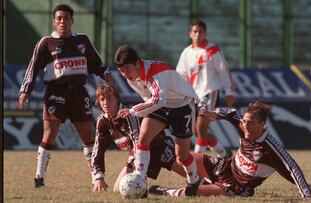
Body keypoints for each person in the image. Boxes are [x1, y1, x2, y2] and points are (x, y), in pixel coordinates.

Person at [17, 4, 113, 188]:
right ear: (54, 22)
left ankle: (96, 179)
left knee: (89, 135)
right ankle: (39, 178)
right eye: (59, 18)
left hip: (79, 92)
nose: (63, 22)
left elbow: (96, 64)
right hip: (56, 92)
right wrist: (25, 90)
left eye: (66, 18)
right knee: (49, 134)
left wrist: (106, 74)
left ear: (72, 21)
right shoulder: (46, 43)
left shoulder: (83, 41)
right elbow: (33, 67)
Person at [149, 101, 311, 198]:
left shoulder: (270, 148)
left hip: (236, 187)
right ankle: (199, 179)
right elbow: (231, 113)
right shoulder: (243, 123)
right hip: (226, 167)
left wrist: (306, 193)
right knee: (183, 157)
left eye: (251, 123)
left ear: (263, 126)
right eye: (245, 122)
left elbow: (291, 167)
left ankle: (166, 191)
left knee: (193, 193)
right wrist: (215, 113)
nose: (245, 125)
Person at [114, 45, 201, 196]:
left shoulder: (154, 72)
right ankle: (140, 180)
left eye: (128, 68)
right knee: (144, 137)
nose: (125, 74)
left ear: (137, 63)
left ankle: (194, 180)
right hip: (161, 105)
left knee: (182, 156)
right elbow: (151, 99)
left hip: (182, 105)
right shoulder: (131, 77)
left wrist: (133, 111)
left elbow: (157, 100)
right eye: (121, 70)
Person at [91, 84, 187, 193]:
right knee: (118, 189)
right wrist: (98, 177)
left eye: (109, 98)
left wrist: (140, 172)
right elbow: (97, 150)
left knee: (193, 176)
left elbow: (138, 143)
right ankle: (161, 191)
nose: (106, 102)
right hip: (136, 155)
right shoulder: (103, 121)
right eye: (102, 99)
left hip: (158, 147)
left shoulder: (129, 114)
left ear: (117, 99)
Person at [176, 20, 235, 158]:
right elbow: (181, 75)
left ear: (205, 33)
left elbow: (224, 71)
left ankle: (197, 160)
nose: (197, 34)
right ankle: (223, 152)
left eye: (200, 32)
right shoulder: (186, 52)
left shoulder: (212, 50)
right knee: (198, 132)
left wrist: (230, 92)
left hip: (209, 91)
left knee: (201, 127)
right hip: (193, 95)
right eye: (194, 32)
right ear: (190, 34)